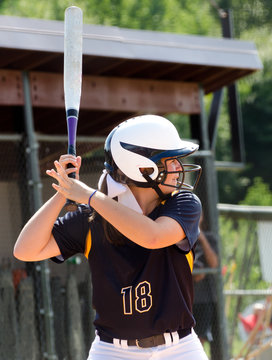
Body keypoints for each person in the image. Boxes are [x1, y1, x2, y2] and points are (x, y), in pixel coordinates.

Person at [13, 115, 209, 360]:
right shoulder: (92, 218)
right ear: (141, 166)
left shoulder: (183, 204)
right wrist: (64, 192)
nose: (179, 168)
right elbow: (25, 250)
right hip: (112, 351)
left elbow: (153, 236)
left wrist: (90, 196)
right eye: (171, 160)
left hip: (179, 348)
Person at [192, 212, 219, 354]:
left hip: (204, 300)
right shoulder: (180, 237)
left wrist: (201, 237)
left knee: (200, 340)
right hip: (184, 299)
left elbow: (214, 264)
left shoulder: (209, 238)